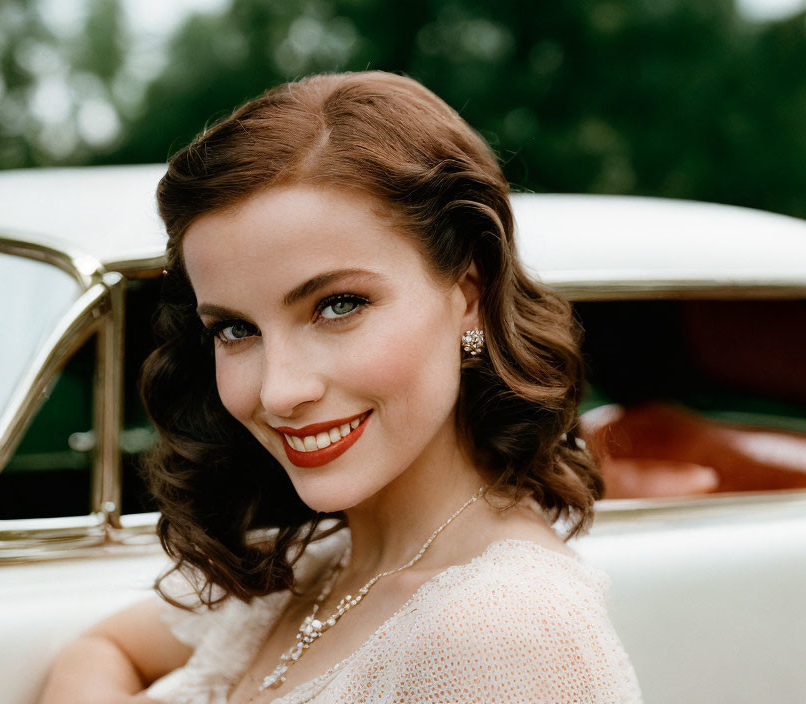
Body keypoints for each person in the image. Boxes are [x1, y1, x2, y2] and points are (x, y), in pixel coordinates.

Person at [39, 70, 643, 704]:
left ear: (469, 293)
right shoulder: (315, 566)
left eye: (338, 305)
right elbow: (100, 650)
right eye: (236, 329)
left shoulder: (502, 635)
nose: (278, 392)